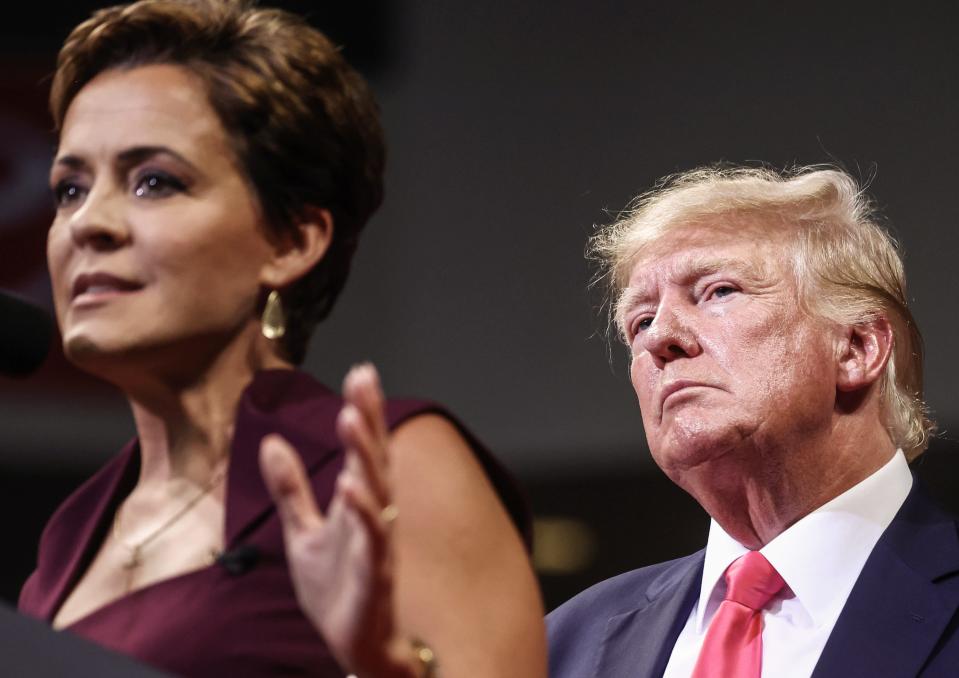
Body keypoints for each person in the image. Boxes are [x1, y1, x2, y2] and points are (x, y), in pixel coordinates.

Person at [17, 1, 547, 676]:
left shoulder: (384, 466)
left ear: (293, 241)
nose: (89, 224)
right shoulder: (71, 535)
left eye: (154, 182)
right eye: (69, 189)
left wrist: (381, 665)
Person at [547, 166, 959, 677]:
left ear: (855, 348)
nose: (659, 339)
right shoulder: (564, 646)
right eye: (642, 321)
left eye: (718, 291)